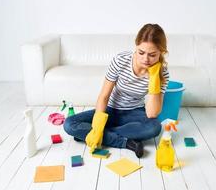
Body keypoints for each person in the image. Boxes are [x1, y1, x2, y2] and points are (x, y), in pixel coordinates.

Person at [64, 23, 170, 158]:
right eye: (141, 52)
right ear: (136, 46)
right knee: (69, 124)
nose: (145, 59)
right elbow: (104, 96)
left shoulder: (163, 73)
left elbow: (151, 113)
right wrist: (97, 125)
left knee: (154, 128)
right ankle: (126, 143)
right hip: (110, 109)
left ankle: (91, 134)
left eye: (152, 55)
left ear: (161, 52)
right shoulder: (121, 60)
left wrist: (154, 77)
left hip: (135, 113)